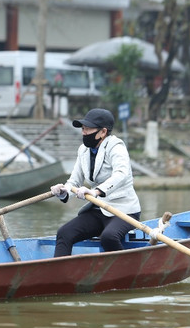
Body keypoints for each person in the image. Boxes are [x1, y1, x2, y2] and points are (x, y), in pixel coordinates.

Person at [49, 108, 141, 257]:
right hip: (98, 211)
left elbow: (121, 174)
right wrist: (63, 190)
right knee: (64, 233)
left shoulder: (116, 146)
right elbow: (74, 181)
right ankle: (59, 276)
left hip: (124, 210)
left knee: (109, 237)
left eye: (87, 129)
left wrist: (95, 191)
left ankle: (124, 272)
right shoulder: (83, 150)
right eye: (83, 129)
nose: (84, 133)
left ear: (103, 132)